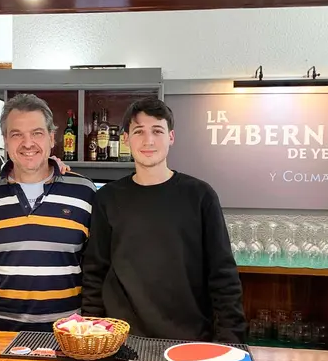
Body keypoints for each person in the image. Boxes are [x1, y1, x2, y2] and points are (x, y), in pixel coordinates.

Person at [81, 97, 247, 343]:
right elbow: (95, 272)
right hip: (121, 341)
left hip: (190, 341)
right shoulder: (107, 198)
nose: (148, 140)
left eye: (157, 131)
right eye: (139, 131)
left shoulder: (200, 196)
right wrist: (91, 332)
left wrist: (232, 342)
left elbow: (223, 275)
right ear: (126, 139)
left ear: (171, 137)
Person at [0, 94, 96, 332]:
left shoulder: (84, 191)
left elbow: (93, 263)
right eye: (16, 134)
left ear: (52, 138)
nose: (27, 143)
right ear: (5, 140)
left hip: (63, 334)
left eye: (37, 133)